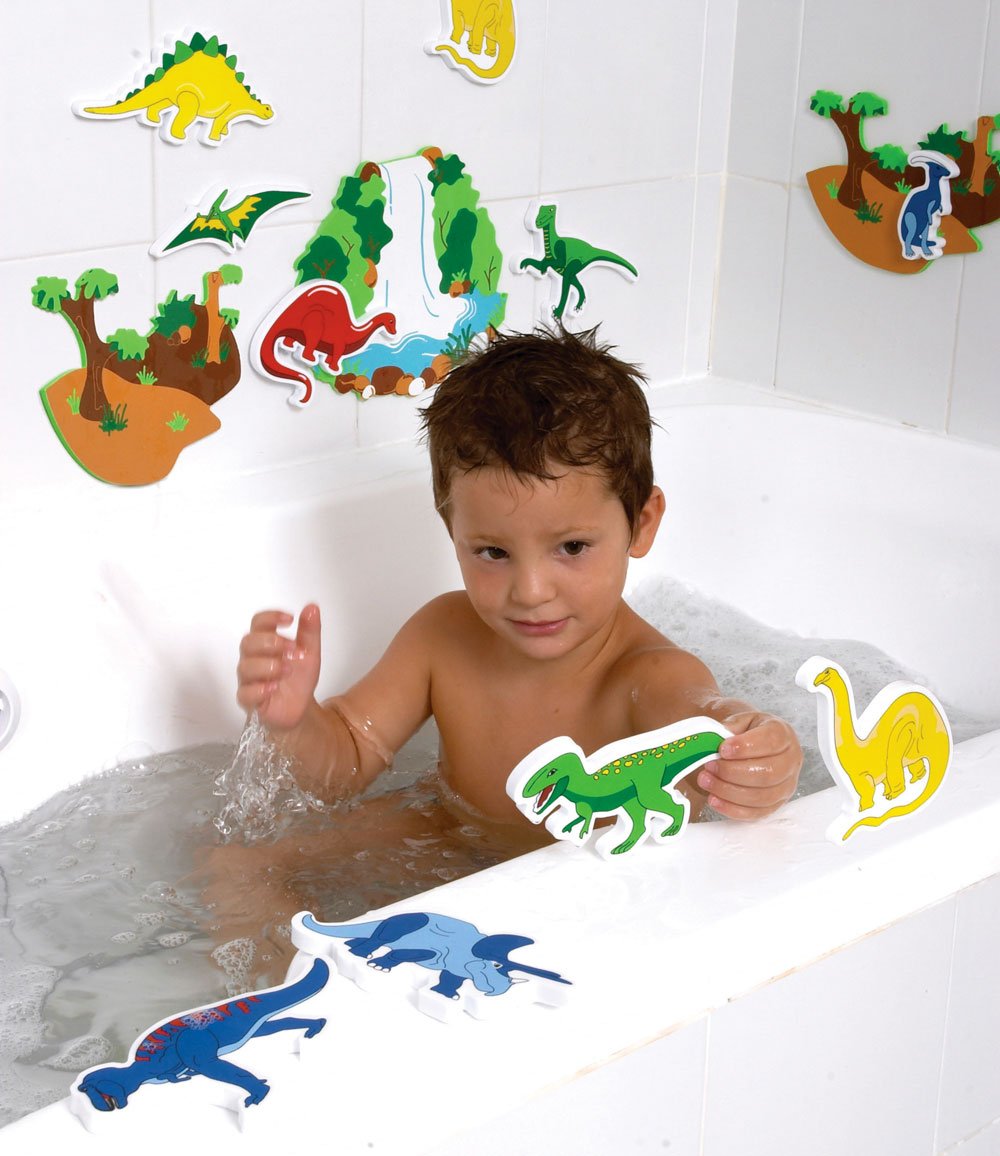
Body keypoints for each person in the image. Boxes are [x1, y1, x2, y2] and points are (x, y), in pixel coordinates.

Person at [236, 326, 803, 833]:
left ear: (641, 523)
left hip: (587, 883)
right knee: (239, 866)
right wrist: (294, 722)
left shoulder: (649, 675)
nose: (531, 591)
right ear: (452, 529)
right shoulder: (441, 636)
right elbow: (343, 768)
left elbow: (708, 721)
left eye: (572, 547)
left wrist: (756, 752)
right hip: (449, 835)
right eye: (493, 552)